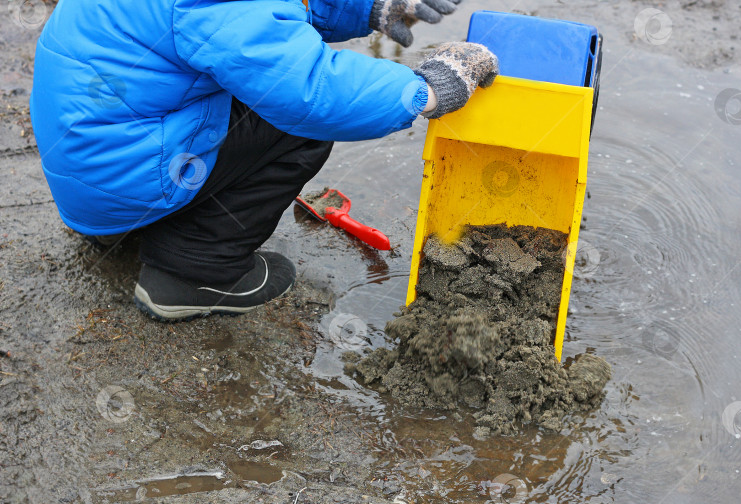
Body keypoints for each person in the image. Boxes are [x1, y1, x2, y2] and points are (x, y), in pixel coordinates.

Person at [30, 0, 498, 320]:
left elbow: (262, 18)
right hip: (120, 172)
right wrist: (429, 89)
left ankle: (129, 228)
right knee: (297, 127)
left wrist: (367, 7)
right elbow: (309, 90)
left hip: (93, 165)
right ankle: (196, 270)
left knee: (237, 86)